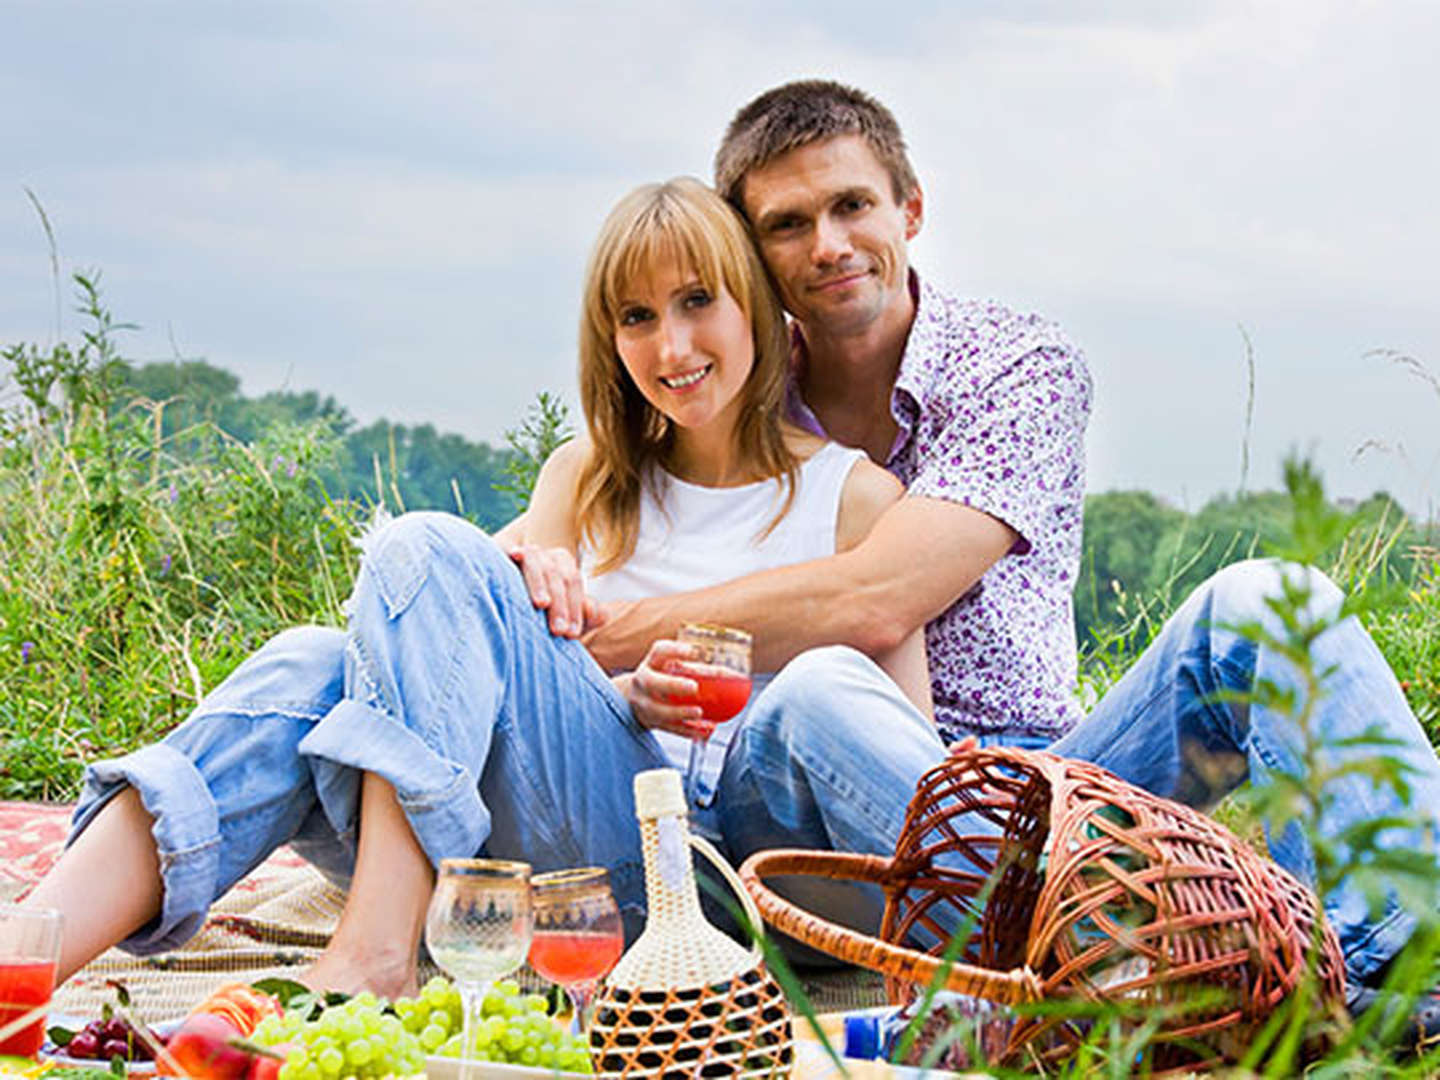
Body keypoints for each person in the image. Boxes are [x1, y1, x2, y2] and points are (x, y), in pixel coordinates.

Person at [555, 80, 1440, 1031]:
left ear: (911, 208)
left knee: (1271, 602)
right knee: (819, 694)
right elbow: (598, 509)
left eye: (852, 205)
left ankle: (1396, 973)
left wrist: (615, 633)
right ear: (750, 253)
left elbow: (880, 596)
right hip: (801, 805)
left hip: (1039, 785)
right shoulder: (728, 388)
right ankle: (1108, 968)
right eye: (787, 223)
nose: (828, 245)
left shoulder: (1015, 367)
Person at [22, 176, 931, 1000]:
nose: (673, 343)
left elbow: (881, 751)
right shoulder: (584, 477)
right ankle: (19, 966)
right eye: (638, 317)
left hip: (699, 874)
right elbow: (475, 693)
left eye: (699, 302)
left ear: (756, 309)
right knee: (311, 660)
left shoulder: (851, 497)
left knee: (413, 559)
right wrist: (625, 698)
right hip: (527, 852)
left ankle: (375, 951)